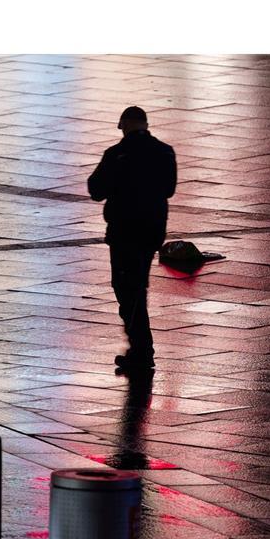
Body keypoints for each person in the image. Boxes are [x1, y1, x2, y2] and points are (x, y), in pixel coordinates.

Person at [87, 106, 177, 371]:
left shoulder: (116, 155)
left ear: (125, 124)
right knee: (137, 287)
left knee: (125, 288)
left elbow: (95, 190)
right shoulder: (164, 152)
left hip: (123, 231)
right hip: (151, 231)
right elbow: (169, 189)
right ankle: (140, 349)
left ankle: (141, 350)